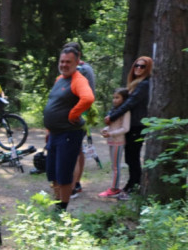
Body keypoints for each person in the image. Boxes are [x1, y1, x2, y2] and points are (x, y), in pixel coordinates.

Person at [42, 47, 94, 212]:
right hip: (55, 133)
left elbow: (88, 98)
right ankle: (57, 202)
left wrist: (73, 114)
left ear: (77, 62)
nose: (64, 65)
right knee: (52, 172)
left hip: (69, 134)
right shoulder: (60, 79)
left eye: (68, 62)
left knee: (64, 173)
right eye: (62, 61)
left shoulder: (78, 79)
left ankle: (61, 209)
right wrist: (48, 130)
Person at [106, 56, 152, 195]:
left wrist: (112, 117)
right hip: (132, 124)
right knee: (130, 156)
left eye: (142, 66)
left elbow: (130, 103)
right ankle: (133, 183)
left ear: (147, 69)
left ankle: (134, 185)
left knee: (132, 156)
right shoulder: (135, 83)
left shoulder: (144, 84)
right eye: (136, 65)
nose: (138, 68)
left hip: (137, 125)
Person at [64, 42, 96, 198]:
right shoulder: (85, 69)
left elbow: (87, 96)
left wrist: (73, 114)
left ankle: (74, 185)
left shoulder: (83, 70)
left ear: (77, 57)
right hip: (79, 115)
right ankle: (76, 183)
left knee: (74, 152)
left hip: (78, 116)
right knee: (78, 151)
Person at [99, 88, 131, 200]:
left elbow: (125, 128)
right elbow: (112, 125)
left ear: (124, 99)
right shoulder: (114, 110)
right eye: (114, 97)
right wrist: (105, 129)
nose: (114, 100)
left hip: (118, 141)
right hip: (111, 141)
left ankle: (114, 189)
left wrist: (111, 133)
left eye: (117, 97)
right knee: (113, 166)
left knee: (116, 167)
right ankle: (114, 187)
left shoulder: (125, 111)